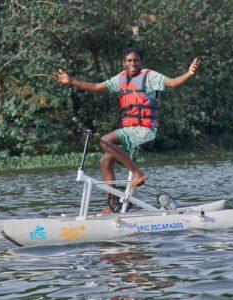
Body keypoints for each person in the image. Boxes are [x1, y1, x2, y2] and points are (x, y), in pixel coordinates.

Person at [54, 47, 200, 213]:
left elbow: (173, 83)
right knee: (105, 161)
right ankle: (112, 204)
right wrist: (71, 81)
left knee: (105, 140)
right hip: (129, 130)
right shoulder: (120, 79)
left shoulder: (149, 76)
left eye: (136, 60)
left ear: (140, 62)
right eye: (129, 61)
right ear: (123, 63)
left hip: (145, 130)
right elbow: (95, 87)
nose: (133, 63)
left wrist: (189, 73)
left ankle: (138, 174)